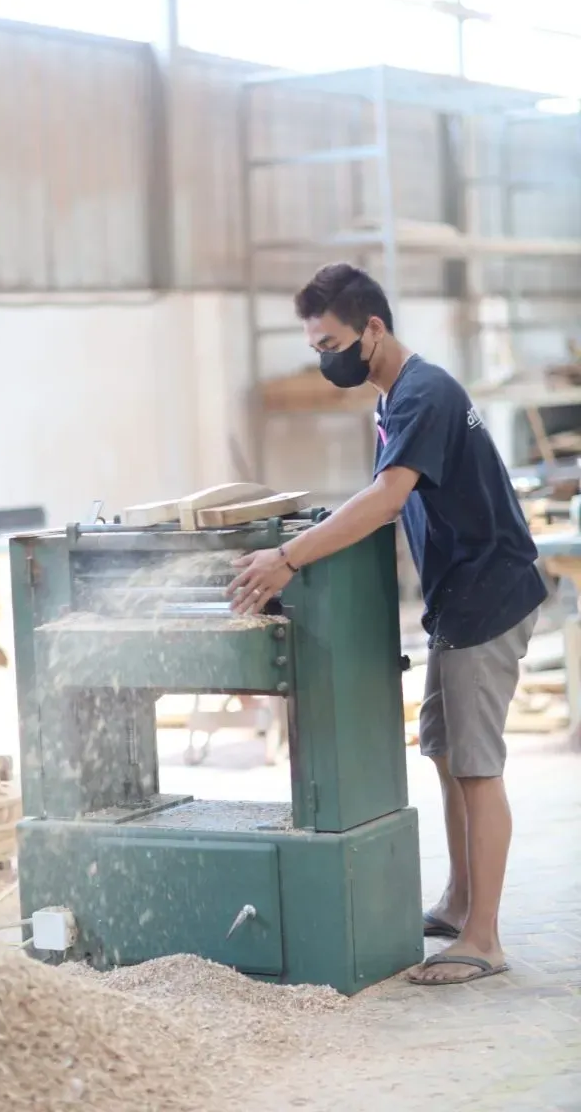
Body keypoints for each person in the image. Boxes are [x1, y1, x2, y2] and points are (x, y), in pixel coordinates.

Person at [227, 262, 547, 988]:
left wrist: (289, 557)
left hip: (489, 596)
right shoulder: (397, 396)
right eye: (315, 347)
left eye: (331, 343)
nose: (325, 359)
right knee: (445, 750)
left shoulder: (424, 393)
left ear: (372, 328)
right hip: (459, 599)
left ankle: (485, 939)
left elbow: (385, 499)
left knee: (477, 767)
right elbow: (384, 495)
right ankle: (461, 901)